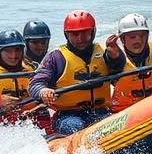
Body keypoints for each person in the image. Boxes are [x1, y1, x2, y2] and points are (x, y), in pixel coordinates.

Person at [28, 10, 125, 138]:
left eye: (85, 33)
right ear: (66, 35)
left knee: (116, 124)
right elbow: (35, 83)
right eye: (74, 34)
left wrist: (116, 56)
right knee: (76, 126)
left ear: (93, 32)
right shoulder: (56, 57)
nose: (80, 38)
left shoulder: (104, 52)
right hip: (67, 115)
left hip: (101, 112)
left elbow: (118, 69)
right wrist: (43, 91)